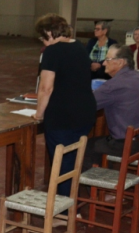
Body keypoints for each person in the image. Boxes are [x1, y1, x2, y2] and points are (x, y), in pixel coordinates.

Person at [33, 14, 96, 197]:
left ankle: (62, 210)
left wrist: (38, 114)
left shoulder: (52, 51)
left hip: (63, 115)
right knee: (73, 160)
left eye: (42, 37)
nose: (43, 41)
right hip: (85, 112)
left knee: (61, 164)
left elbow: (46, 88)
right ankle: (70, 203)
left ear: (49, 32)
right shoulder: (79, 46)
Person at [84, 46, 139, 169]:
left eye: (108, 59)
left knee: (83, 147)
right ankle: (107, 177)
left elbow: (85, 106)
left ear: (120, 62)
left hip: (128, 145)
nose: (104, 63)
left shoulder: (114, 85)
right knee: (102, 143)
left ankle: (100, 184)